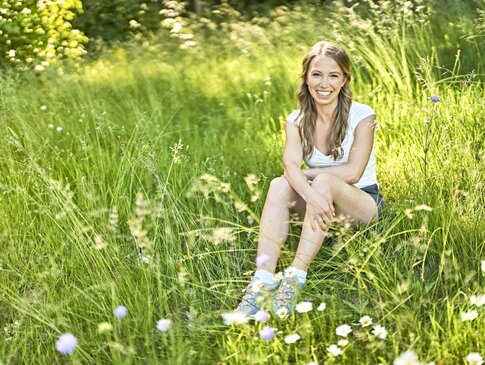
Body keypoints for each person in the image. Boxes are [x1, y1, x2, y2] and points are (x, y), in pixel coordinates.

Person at [236, 41, 383, 319]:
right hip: (322, 204)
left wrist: (308, 180)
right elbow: (288, 165)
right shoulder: (296, 119)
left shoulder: (363, 115)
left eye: (333, 75)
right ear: (306, 77)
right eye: (316, 74)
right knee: (279, 185)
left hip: (363, 204)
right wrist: (309, 188)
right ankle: (262, 280)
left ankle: (295, 278)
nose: (324, 83)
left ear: (344, 80)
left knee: (323, 181)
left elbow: (353, 172)